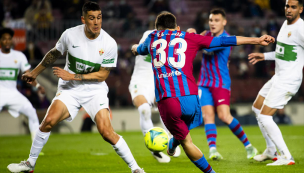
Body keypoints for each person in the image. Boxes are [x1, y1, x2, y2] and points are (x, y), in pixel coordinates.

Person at [7, 2, 145, 173]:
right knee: (48, 121)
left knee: (106, 132)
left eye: (99, 18)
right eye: (92, 18)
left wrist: (74, 76)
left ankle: (136, 168)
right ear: (83, 19)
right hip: (70, 89)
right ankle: (30, 164)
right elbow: (54, 53)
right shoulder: (70, 35)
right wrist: (35, 72)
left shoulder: (109, 43)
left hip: (95, 90)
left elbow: (103, 75)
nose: (96, 22)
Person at [131, 12, 274, 173]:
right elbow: (225, 40)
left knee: (187, 142)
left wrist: (134, 48)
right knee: (185, 127)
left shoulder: (152, 38)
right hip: (191, 98)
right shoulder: (189, 38)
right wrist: (257, 40)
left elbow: (139, 50)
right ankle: (174, 143)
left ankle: (203, 166)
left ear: (157, 29)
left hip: (168, 100)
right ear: (177, 28)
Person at [195, 8, 258, 160]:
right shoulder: (206, 35)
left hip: (220, 83)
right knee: (208, 116)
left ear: (224, 22)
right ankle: (213, 150)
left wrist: (193, 37)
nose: (213, 23)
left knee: (224, 116)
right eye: (211, 20)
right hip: (204, 83)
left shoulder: (225, 39)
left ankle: (249, 146)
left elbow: (207, 46)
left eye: (216, 20)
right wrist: (194, 35)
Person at [248, 0, 303, 166]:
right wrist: (264, 56)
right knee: (257, 107)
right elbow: (283, 53)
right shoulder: (285, 25)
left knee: (265, 116)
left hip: (288, 79)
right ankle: (271, 150)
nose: (289, 9)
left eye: (293, 7)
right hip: (279, 76)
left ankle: (286, 157)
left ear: (301, 9)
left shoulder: (301, 28)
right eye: (287, 6)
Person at [128, 29, 181, 163]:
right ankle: (154, 150)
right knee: (144, 109)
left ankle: (170, 137)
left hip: (156, 81)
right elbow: (135, 48)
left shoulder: (170, 42)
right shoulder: (149, 35)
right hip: (139, 82)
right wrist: (134, 48)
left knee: (166, 107)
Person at [0, 28, 43, 142]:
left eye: (9, 39)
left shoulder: (19, 56)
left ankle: (35, 146)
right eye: (4, 39)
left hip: (13, 94)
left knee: (32, 112)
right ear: (0, 41)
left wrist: (38, 86)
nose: (7, 41)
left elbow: (29, 75)